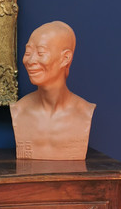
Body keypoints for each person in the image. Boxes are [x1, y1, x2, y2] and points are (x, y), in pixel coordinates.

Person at [10, 21, 95, 160]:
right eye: (28, 52)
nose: (30, 60)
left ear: (65, 58)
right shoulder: (19, 111)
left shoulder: (84, 112)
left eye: (40, 53)